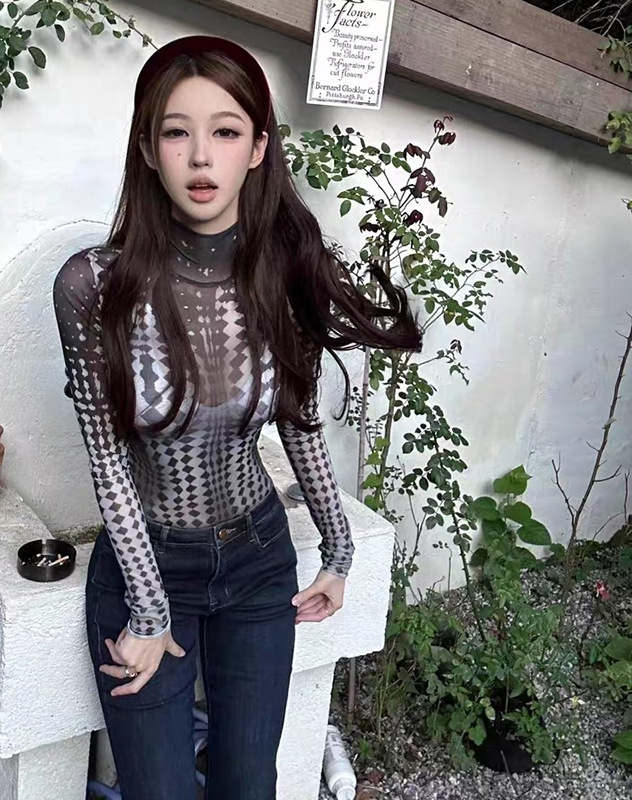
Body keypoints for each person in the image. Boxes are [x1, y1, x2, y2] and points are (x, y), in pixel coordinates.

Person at [53, 34, 422, 800]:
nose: (200, 156)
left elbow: (299, 421)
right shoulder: (93, 287)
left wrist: (339, 552)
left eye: (224, 131)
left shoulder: (279, 275)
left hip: (257, 562)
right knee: (158, 791)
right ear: (147, 149)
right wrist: (148, 611)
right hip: (148, 564)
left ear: (257, 149)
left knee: (249, 783)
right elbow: (108, 460)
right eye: (176, 132)